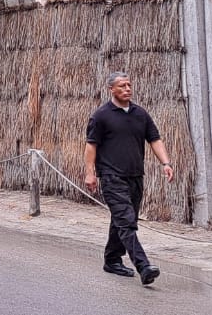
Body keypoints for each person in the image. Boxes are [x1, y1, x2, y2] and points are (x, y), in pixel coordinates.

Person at [83, 72, 174, 286]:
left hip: (135, 176)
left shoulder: (140, 114)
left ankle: (112, 260)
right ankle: (143, 266)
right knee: (126, 221)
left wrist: (166, 163)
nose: (127, 89)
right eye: (122, 86)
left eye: (129, 85)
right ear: (111, 89)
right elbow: (91, 145)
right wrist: (90, 173)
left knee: (124, 220)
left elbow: (155, 139)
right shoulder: (101, 115)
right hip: (111, 177)